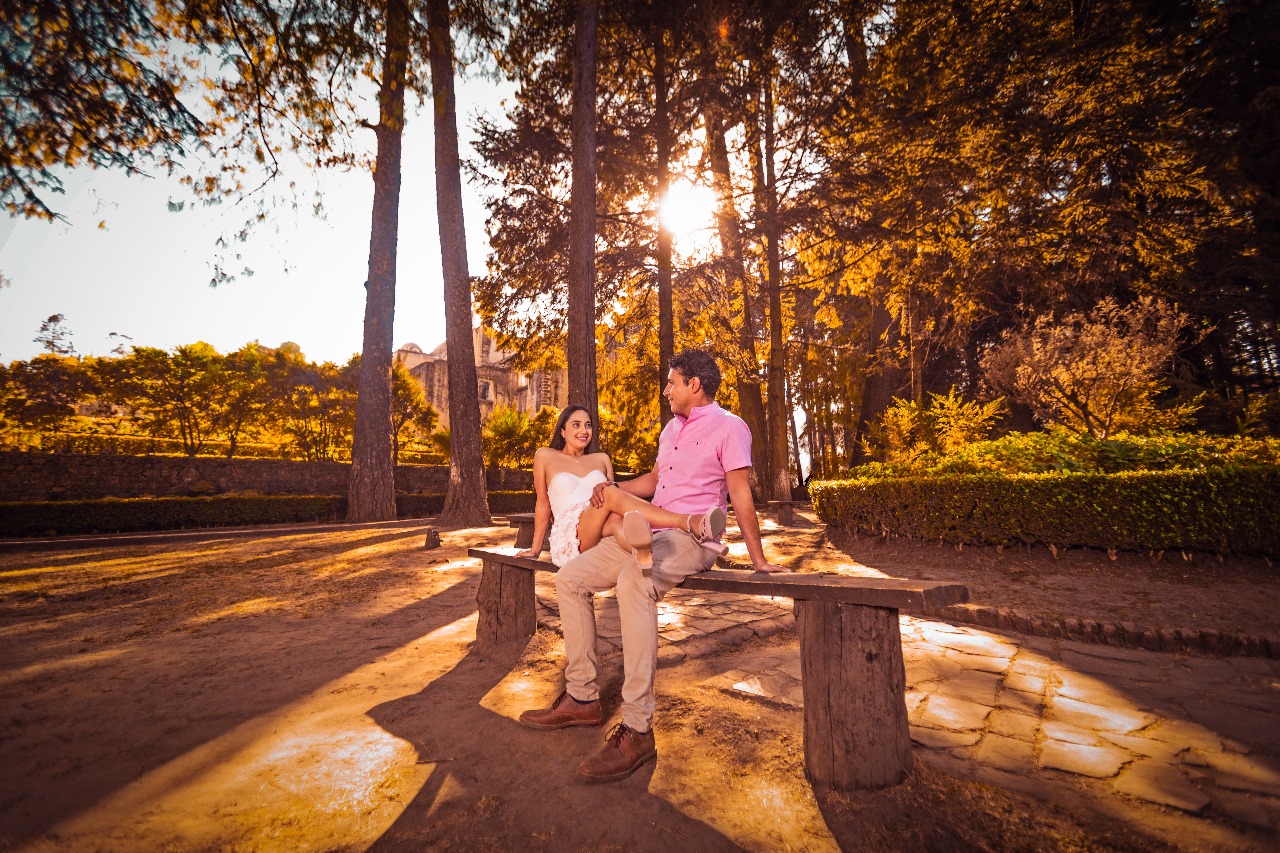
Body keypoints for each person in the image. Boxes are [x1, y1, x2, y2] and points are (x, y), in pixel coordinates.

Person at [519, 349, 788, 783]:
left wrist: (759, 559)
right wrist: (611, 488)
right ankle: (582, 697)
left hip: (690, 538)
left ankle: (638, 729)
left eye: (672, 382)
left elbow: (740, 492)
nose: (666, 390)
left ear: (694, 385)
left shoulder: (730, 427)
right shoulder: (670, 429)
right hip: (647, 530)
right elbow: (655, 481)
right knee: (570, 578)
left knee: (633, 581)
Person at [517, 404, 726, 570]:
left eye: (588, 425)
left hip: (603, 529)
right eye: (576, 425)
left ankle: (647, 552)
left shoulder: (601, 459)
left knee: (621, 520)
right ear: (562, 431)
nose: (583, 430)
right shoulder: (545, 456)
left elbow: (617, 505)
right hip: (571, 536)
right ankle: (689, 522)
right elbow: (542, 504)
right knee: (610, 493)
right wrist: (535, 549)